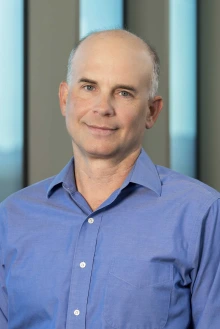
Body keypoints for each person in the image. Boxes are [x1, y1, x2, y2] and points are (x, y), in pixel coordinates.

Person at [0, 29, 220, 329]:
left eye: (124, 92)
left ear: (152, 112)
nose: (102, 108)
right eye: (89, 87)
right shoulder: (12, 217)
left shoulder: (201, 214)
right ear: (65, 99)